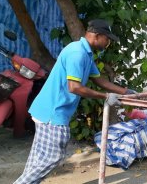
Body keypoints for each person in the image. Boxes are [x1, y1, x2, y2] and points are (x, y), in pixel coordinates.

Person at [14, 19, 136, 184]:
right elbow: (74, 87)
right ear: (98, 36)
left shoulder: (86, 53)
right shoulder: (77, 53)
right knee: (53, 157)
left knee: (39, 159)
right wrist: (106, 97)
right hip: (53, 113)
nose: (108, 43)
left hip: (49, 110)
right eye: (107, 39)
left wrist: (126, 92)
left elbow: (100, 80)